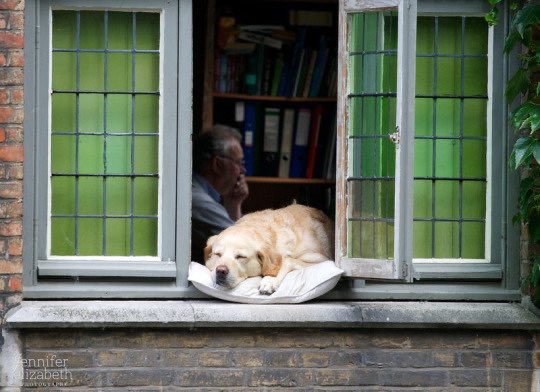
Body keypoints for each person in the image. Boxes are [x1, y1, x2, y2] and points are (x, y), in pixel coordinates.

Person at [191, 125, 249, 262]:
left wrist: (234, 203)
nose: (243, 170)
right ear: (217, 164)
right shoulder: (196, 200)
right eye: (239, 163)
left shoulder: (202, 193)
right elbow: (243, 245)